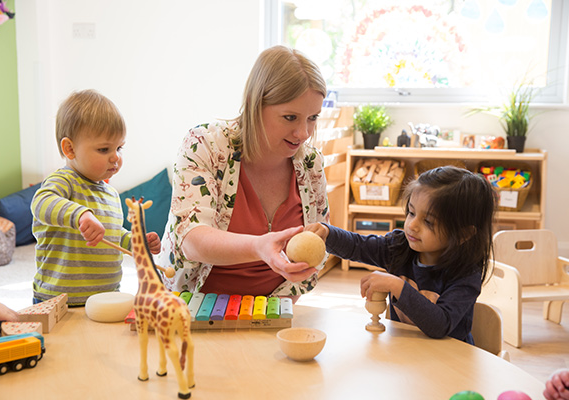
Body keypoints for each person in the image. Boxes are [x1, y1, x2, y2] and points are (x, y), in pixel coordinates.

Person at [156, 45, 329, 298]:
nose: (303, 133)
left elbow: (318, 238)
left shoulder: (311, 164)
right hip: (193, 309)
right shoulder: (204, 144)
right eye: (290, 117)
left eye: (312, 118)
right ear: (254, 104)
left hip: (273, 310)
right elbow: (191, 239)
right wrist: (259, 247)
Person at [306, 166, 497, 343]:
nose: (412, 225)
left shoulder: (466, 274)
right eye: (412, 213)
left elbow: (440, 325)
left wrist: (397, 285)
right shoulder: (399, 246)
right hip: (404, 353)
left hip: (452, 362)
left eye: (428, 222)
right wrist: (327, 234)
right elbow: (358, 246)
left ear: (463, 234)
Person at [31, 89, 161, 306]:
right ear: (70, 149)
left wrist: (135, 242)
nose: (116, 157)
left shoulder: (110, 193)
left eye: (120, 148)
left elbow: (112, 234)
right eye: (104, 149)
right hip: (59, 299)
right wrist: (81, 215)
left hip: (106, 297)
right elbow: (41, 202)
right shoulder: (65, 180)